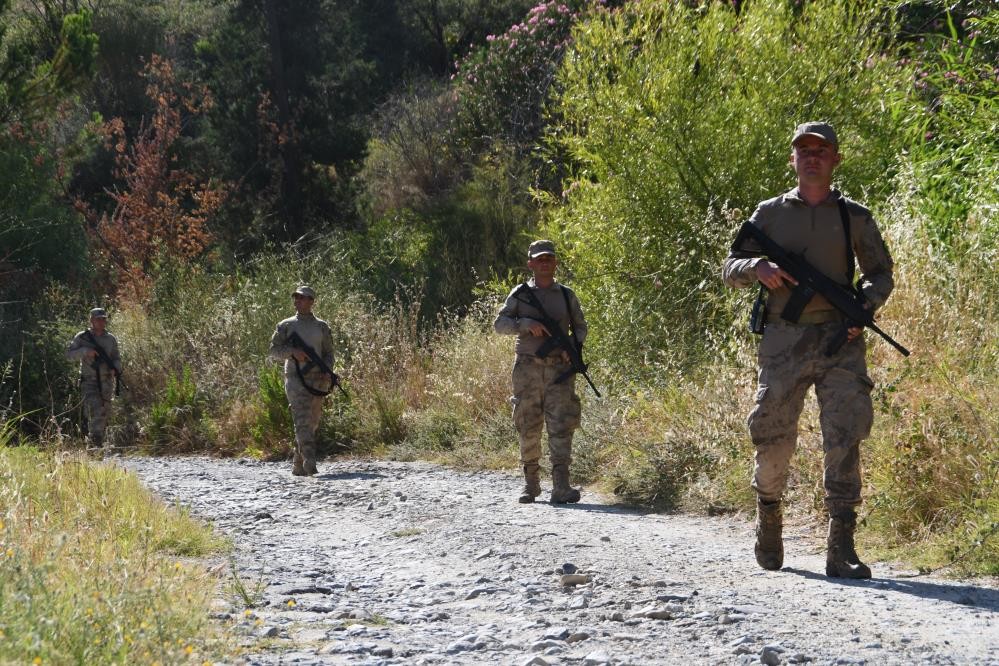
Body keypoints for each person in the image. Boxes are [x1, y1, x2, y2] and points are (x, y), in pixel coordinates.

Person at [723, 121, 895, 579]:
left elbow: (881, 273)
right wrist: (756, 267)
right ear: (793, 159)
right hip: (784, 340)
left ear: (836, 158)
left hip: (841, 340)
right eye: (804, 150)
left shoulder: (853, 216)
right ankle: (769, 516)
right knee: (773, 433)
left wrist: (864, 306)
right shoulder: (769, 213)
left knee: (845, 433)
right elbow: (730, 266)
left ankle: (842, 547)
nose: (813, 157)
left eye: (822, 150)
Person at [494, 240, 588, 504]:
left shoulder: (567, 295)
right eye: (540, 259)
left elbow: (580, 327)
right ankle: (531, 485)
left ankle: (561, 486)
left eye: (549, 258)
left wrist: (572, 347)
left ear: (555, 262)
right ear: (530, 264)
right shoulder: (520, 293)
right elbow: (499, 325)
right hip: (527, 368)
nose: (545, 262)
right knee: (528, 425)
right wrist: (525, 324)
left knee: (562, 425)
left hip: (560, 369)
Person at [269, 285, 337, 476]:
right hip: (295, 379)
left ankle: (298, 463)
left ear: (311, 301)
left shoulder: (321, 326)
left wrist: (327, 370)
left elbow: (329, 353)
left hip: (318, 381)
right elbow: (274, 351)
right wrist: (292, 352)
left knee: (313, 422)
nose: (297, 300)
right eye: (296, 297)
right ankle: (310, 462)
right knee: (301, 420)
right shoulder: (286, 325)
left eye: (302, 297)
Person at [67, 307, 124, 449]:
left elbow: (116, 358)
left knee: (104, 412)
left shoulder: (110, 339)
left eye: (103, 319)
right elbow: (68, 355)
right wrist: (85, 351)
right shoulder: (82, 337)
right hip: (89, 381)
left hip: (106, 381)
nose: (101, 322)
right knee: (95, 409)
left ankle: (96, 442)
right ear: (91, 320)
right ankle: (94, 444)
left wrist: (115, 368)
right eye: (98, 319)